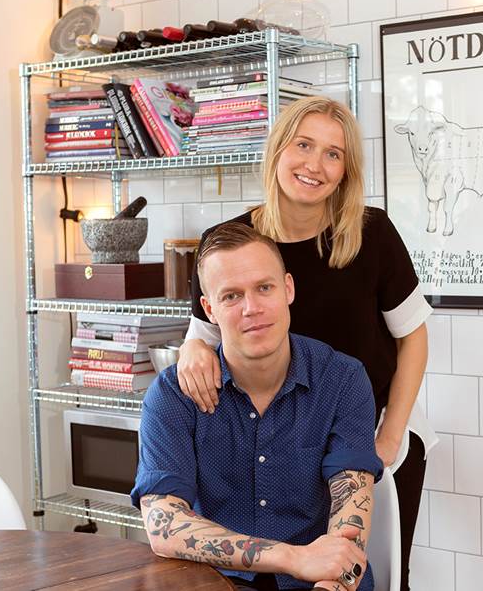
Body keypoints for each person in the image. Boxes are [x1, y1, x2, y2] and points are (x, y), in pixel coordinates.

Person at [177, 95, 436, 591]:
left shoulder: (371, 234)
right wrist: (191, 349)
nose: (315, 165)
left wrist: (386, 438)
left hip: (371, 434)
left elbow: (414, 339)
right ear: (278, 151)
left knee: (368, 575)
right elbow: (203, 331)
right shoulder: (229, 240)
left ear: (345, 171)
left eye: (333, 154)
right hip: (278, 444)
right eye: (304, 145)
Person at [132, 222, 382, 591]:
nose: (252, 308)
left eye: (264, 288)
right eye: (231, 296)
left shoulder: (343, 380)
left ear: (288, 289)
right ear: (209, 309)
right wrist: (291, 557)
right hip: (213, 583)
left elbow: (350, 522)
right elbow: (164, 525)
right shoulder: (172, 396)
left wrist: (330, 583)